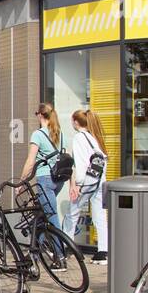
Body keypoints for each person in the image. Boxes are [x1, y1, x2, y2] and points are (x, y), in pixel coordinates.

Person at [65, 109, 109, 264]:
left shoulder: (78, 138)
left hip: (86, 183)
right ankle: (103, 251)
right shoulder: (95, 137)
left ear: (76, 122)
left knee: (71, 214)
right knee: (100, 216)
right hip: (99, 181)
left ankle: (67, 246)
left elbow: (80, 163)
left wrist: (76, 184)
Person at [21, 103, 64, 229]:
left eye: (36, 114)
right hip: (59, 179)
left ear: (40, 115)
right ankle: (38, 245)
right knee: (40, 213)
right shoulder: (59, 134)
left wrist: (22, 181)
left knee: (51, 216)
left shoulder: (38, 134)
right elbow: (66, 156)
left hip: (45, 179)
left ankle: (59, 248)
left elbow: (30, 161)